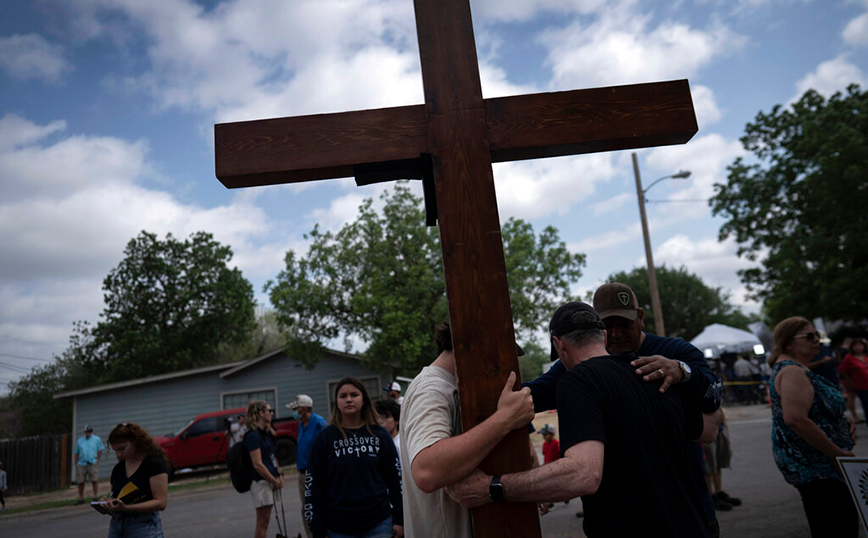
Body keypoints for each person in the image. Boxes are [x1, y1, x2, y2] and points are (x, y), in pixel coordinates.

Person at [445, 302, 710, 537]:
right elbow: (709, 429)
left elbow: (583, 474)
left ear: (559, 344)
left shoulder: (576, 382)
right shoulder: (655, 373)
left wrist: (491, 487)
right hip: (695, 526)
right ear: (604, 336)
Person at [525, 282, 724, 535]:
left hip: (687, 506)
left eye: (624, 324)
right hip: (622, 518)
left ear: (640, 318)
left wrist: (682, 372)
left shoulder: (675, 352)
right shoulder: (577, 370)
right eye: (609, 326)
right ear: (600, 330)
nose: (617, 334)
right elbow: (530, 396)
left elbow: (714, 400)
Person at [400, 323, 535, 538]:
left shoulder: (457, 387)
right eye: (498, 354)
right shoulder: (431, 389)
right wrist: (505, 419)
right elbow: (427, 470)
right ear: (477, 345)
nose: (498, 364)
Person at [769, 317, 858, 537]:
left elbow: (811, 411)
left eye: (817, 335)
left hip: (821, 466)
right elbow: (795, 419)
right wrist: (836, 454)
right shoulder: (792, 372)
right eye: (809, 336)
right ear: (789, 342)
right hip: (818, 467)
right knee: (836, 527)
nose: (816, 340)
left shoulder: (797, 368)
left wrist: (842, 422)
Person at [307, 377, 403, 538]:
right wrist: (317, 528)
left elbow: (395, 479)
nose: (349, 399)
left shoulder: (380, 435)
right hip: (337, 527)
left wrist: (400, 519)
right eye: (343, 396)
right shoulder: (324, 439)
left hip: (379, 523)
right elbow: (313, 486)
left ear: (364, 399)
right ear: (336, 402)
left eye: (354, 395)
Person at [103, 423, 169, 538]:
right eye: (116, 451)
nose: (119, 454)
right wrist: (109, 503)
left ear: (135, 441)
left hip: (143, 525)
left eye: (122, 449)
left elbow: (161, 502)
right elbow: (116, 496)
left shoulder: (154, 463)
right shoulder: (118, 469)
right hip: (117, 524)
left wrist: (127, 508)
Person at [287, 394, 326, 538]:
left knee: (321, 505)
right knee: (306, 508)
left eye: (296, 409)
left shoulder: (319, 423)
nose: (295, 412)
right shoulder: (301, 425)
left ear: (303, 409)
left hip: (317, 473)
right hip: (303, 473)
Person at [245, 400, 285, 538]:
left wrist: (280, 474)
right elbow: (257, 464)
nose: (271, 413)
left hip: (270, 480)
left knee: (265, 522)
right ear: (261, 413)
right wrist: (273, 480)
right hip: (261, 482)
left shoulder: (264, 434)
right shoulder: (253, 436)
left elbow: (272, 456)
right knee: (262, 524)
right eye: (269, 410)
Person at [702, 409, 741, 511]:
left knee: (719, 460)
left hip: (718, 424)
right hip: (705, 424)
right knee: (709, 464)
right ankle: (711, 495)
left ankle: (719, 491)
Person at [838, 338, 868, 425]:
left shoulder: (866, 356)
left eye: (860, 345)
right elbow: (842, 370)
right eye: (856, 346)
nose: (858, 348)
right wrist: (849, 381)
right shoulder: (849, 358)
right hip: (861, 385)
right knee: (866, 404)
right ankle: (856, 416)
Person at [75, 424, 105, 505]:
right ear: (85, 432)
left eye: (90, 431)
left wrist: (97, 459)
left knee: (94, 480)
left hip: (92, 463)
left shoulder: (96, 439)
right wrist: (76, 462)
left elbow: (100, 449)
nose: (89, 432)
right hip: (82, 463)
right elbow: (76, 452)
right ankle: (81, 498)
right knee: (81, 481)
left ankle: (95, 496)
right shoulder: (80, 441)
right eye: (87, 431)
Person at [375, 398, 402, 465]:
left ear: (397, 420)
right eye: (378, 417)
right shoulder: (378, 443)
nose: (380, 421)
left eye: (385, 416)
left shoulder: (400, 444)